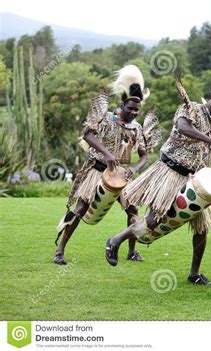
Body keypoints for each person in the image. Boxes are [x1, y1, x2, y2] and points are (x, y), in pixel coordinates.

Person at [105, 69, 211, 285]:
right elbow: (183, 127)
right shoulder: (192, 108)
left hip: (193, 182)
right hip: (169, 172)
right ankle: (114, 240)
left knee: (202, 229)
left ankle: (194, 274)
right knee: (155, 219)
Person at [53, 65, 160, 265]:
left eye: (137, 110)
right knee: (80, 209)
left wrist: (134, 169)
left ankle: (131, 251)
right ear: (122, 106)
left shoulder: (136, 128)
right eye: (131, 109)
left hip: (121, 176)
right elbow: (87, 135)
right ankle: (59, 251)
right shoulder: (107, 119)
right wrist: (107, 154)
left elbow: (144, 155)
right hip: (97, 170)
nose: (134, 113)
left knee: (133, 211)